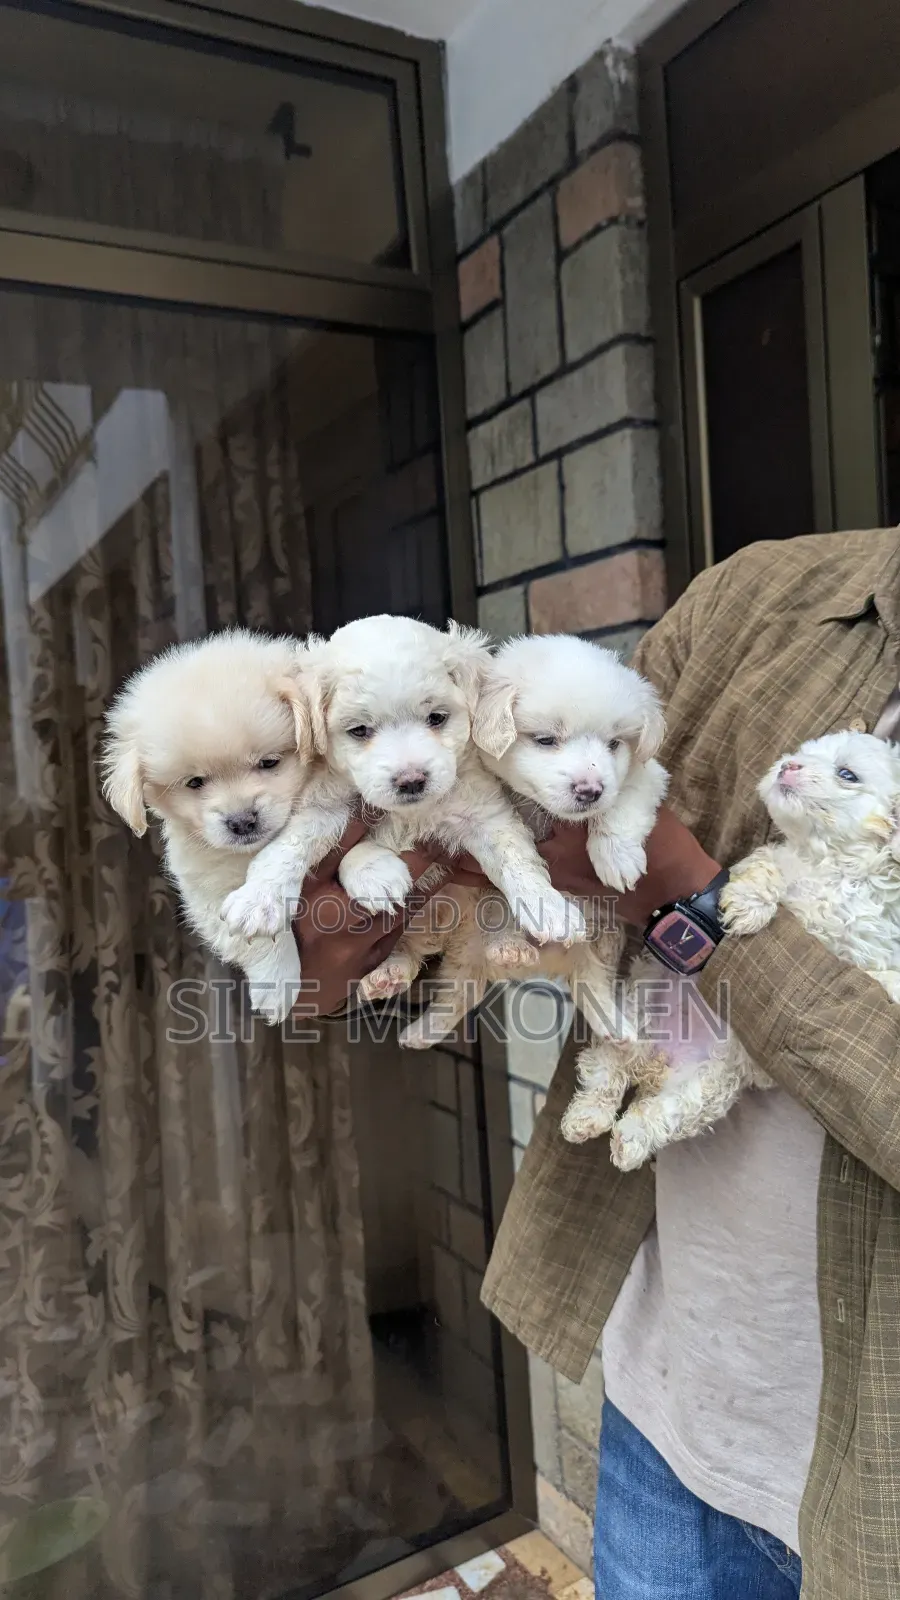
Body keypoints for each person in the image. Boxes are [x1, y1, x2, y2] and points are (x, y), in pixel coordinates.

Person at [296, 528, 900, 1600]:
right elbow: (530, 796)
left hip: (874, 1486)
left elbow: (645, 867)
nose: (590, 768)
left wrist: (686, 904)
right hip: (676, 1395)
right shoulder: (764, 599)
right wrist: (348, 913)